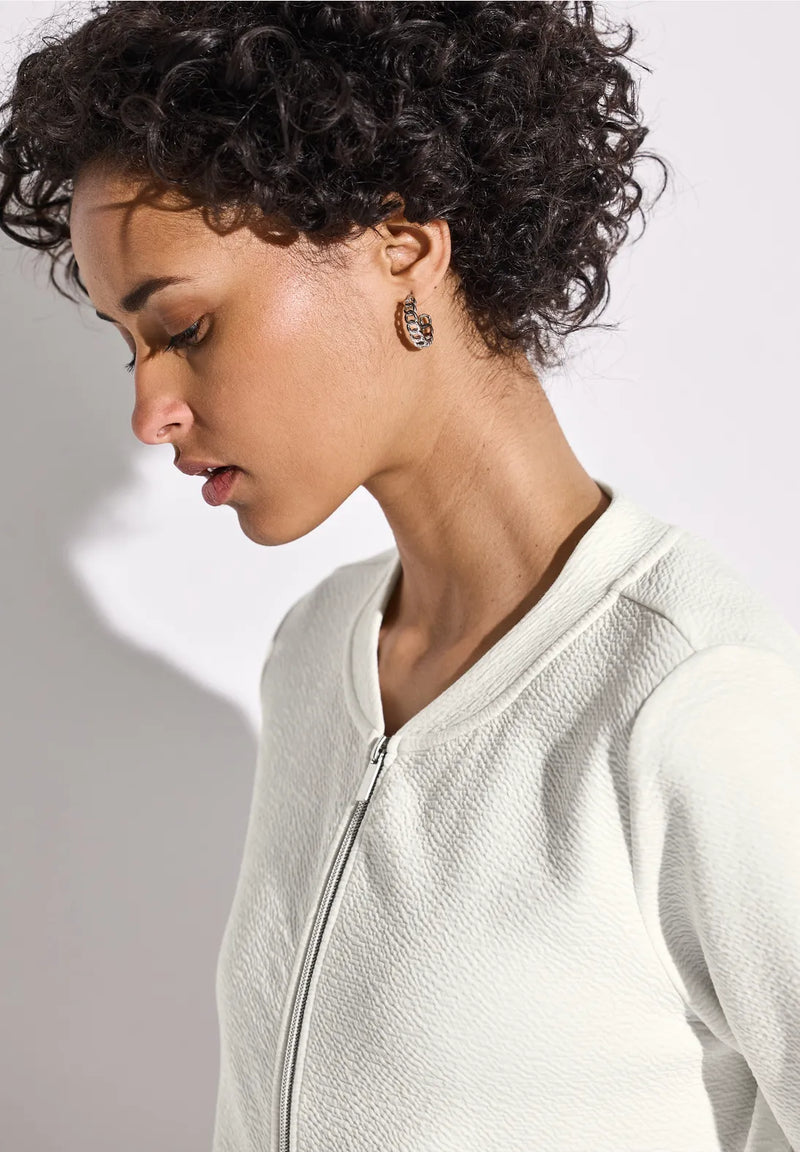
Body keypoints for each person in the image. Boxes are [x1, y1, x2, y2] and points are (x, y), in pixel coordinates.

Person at [2, 3, 799, 1150]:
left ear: (400, 249)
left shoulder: (690, 701)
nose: (149, 410)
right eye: (130, 349)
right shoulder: (314, 652)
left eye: (185, 327)